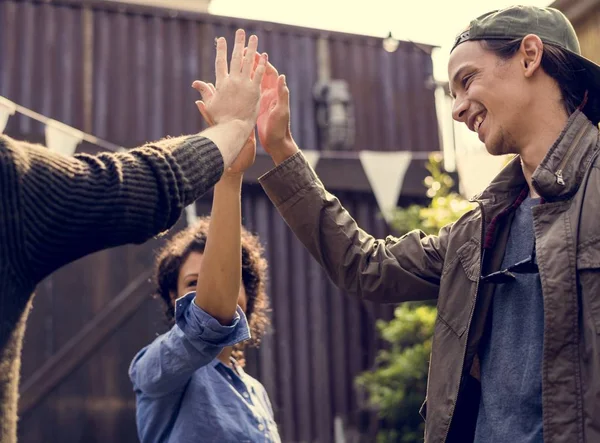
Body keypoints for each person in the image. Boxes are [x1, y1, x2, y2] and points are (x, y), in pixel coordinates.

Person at [245, 6, 600, 443]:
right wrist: (281, 148)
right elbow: (365, 267)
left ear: (529, 56)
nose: (457, 109)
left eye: (467, 80)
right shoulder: (482, 230)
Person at [0, 29, 267, 443]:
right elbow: (143, 183)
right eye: (191, 285)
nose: (218, 287)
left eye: (229, 278)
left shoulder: (256, 394)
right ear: (172, 301)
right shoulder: (155, 368)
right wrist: (231, 146)